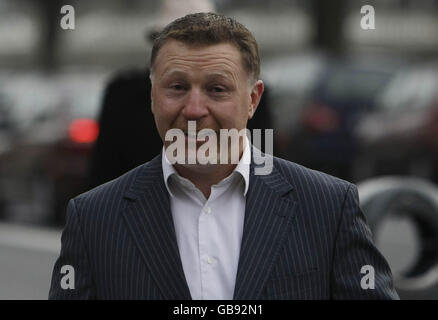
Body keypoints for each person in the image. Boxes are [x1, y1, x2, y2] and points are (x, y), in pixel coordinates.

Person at [49, 12, 398, 299]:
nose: (194, 109)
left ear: (253, 100)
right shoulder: (93, 218)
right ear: (153, 96)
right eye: (177, 87)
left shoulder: (329, 207)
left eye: (217, 89)